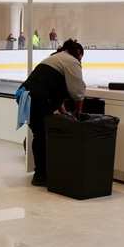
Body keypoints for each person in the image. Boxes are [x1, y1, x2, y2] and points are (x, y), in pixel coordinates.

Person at [17, 39, 86, 187]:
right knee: (42, 135)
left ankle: (41, 173)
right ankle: (41, 175)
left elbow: (53, 87)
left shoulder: (55, 58)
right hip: (37, 99)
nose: (81, 61)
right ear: (78, 53)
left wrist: (63, 111)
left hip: (26, 97)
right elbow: (78, 92)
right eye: (81, 57)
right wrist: (78, 113)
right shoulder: (71, 61)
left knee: (39, 134)